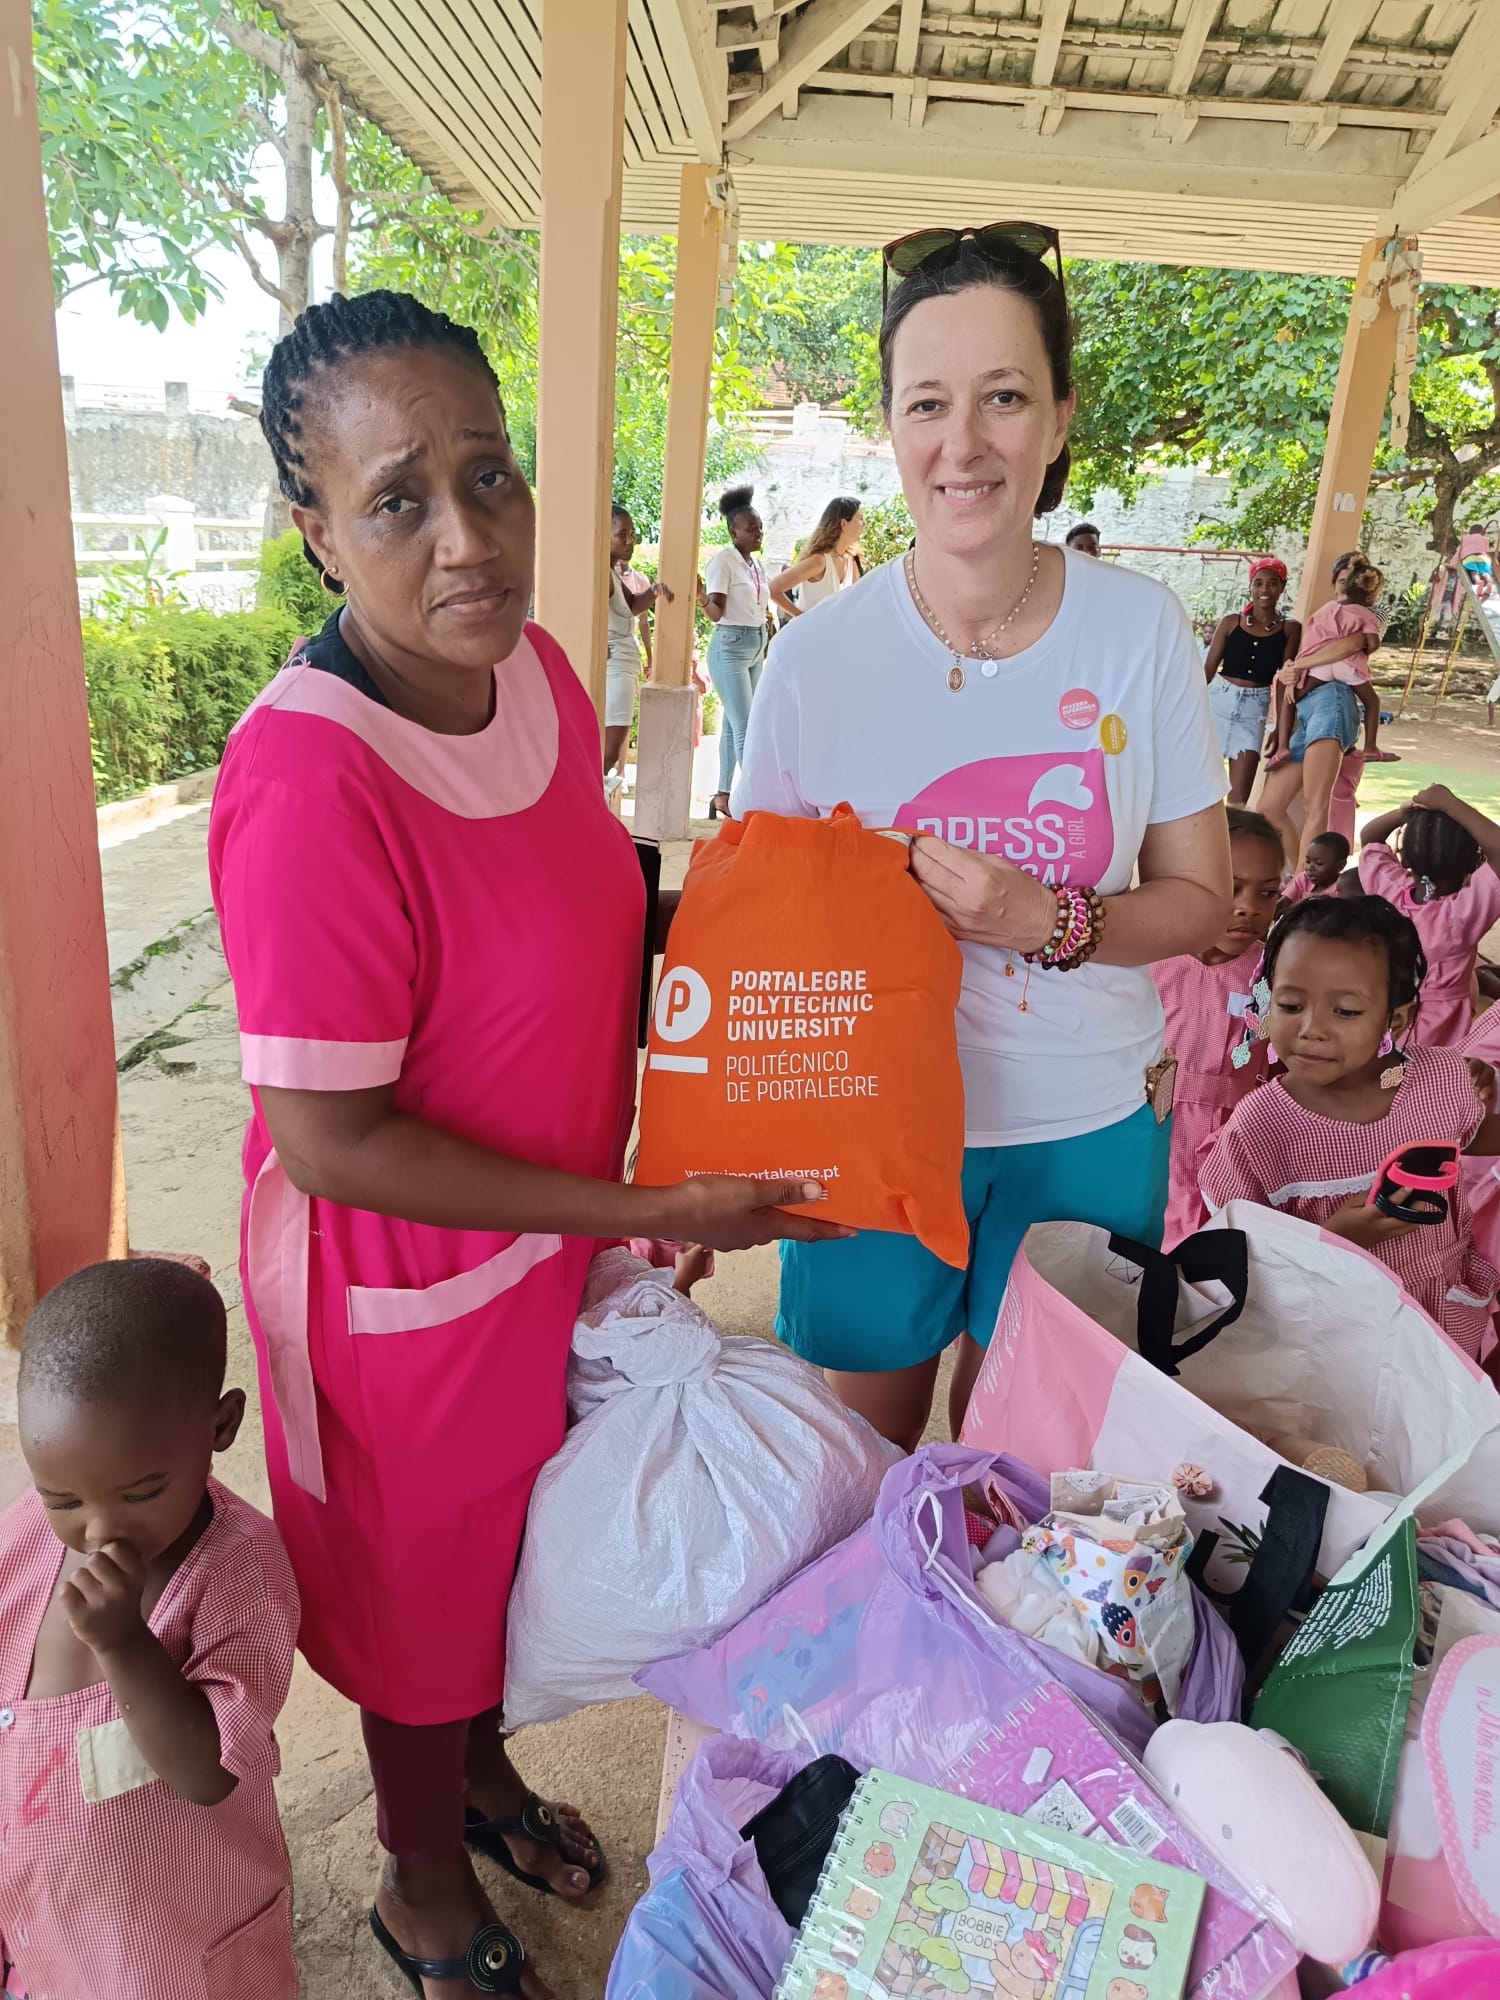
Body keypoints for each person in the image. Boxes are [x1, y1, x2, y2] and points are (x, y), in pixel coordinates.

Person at [212, 290, 848, 2000]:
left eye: (488, 477)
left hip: (550, 1239)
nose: (468, 538)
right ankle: (420, 1882)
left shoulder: (538, 679)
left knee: (502, 1565)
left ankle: (476, 1778)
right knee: (420, 1605)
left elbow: (600, 931)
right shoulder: (310, 780)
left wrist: (794, 999)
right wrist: (641, 1196)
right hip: (398, 1289)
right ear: (315, 530)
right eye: (398, 500)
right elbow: (333, 1141)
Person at [733, 223, 1231, 1450]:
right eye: (928, 403)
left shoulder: (1139, 630)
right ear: (891, 427)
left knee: (1027, 1481)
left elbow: (1202, 900)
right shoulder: (814, 660)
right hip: (869, 1120)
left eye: (1003, 396)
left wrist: (1043, 918)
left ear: (1059, 417)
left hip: (1086, 1122)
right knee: (862, 1466)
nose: (963, 443)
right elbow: (757, 930)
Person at [0, 1258, 300, 2000]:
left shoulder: (240, 1571)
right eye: (64, 1499)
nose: (99, 1529)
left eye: (140, 1493)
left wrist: (124, 1642)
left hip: (172, 1948)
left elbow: (208, 1773)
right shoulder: (27, 1536)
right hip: (44, 1920)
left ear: (220, 1426)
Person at [1202, 896, 1500, 1357]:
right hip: (1332, 1338)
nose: (1311, 1029)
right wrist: (1338, 1238)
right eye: (1291, 1005)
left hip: (1440, 1317)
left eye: (1344, 1011)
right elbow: (1231, 1252)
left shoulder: (1441, 1078)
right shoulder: (1260, 1127)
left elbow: (1465, 1132)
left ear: (1395, 1019)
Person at [1151, 809, 1283, 1245]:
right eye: (1232, 887)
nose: (1249, 907)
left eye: (1267, 892)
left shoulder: (1276, 972)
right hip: (1154, 1129)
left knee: (1218, 1243)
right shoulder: (1150, 960)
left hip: (1236, 1140)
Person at [1259, 555, 1385, 871]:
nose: (1348, 580)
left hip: (1332, 700)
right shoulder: (1326, 613)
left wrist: (1296, 666)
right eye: (1342, 575)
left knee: (1315, 806)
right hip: (1305, 707)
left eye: (1354, 575)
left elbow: (1351, 645)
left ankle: (1304, 883)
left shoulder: (1370, 613)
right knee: (1268, 809)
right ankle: (1301, 876)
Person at [1358, 787, 1500, 1046]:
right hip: (1441, 1032)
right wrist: (1451, 805)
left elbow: (1370, 837)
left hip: (1388, 1017)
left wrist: (1404, 811)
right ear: (1474, 862)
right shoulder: (1460, 915)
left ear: (1404, 857)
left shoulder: (1389, 891)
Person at [1202, 557, 1300, 804]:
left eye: (1272, 583)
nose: (1264, 589)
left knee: (1238, 797)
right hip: (1218, 702)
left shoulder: (1290, 628)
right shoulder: (1231, 622)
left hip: (1254, 710)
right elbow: (1208, 671)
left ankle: (1233, 831)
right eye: (1258, 583)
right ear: (1250, 587)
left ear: (1282, 586)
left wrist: (1281, 729)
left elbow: (1284, 679)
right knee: (1200, 787)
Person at [700, 484, 771, 820]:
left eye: (760, 527)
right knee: (746, 727)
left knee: (732, 725)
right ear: (733, 531)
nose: (759, 533)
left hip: (755, 645)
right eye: (752, 528)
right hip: (730, 647)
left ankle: (724, 795)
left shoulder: (754, 564)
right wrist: (701, 599)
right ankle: (754, 802)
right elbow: (716, 612)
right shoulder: (723, 561)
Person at [604, 503, 671, 790]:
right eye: (622, 535)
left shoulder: (610, 571)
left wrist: (654, 591)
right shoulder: (599, 573)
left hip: (622, 666)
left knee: (609, 751)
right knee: (607, 752)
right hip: (615, 667)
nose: (630, 541)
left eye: (632, 534)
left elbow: (631, 605)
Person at [769, 497, 866, 620]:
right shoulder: (819, 561)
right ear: (844, 524)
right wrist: (803, 619)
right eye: (860, 518)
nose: (864, 525)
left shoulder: (851, 561)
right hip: (810, 632)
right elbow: (773, 588)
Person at [1279, 830, 1350, 909]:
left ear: (1340, 865)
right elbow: (1282, 904)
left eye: (1319, 863)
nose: (1309, 867)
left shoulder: (1342, 890)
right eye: (1308, 861)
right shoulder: (1303, 880)